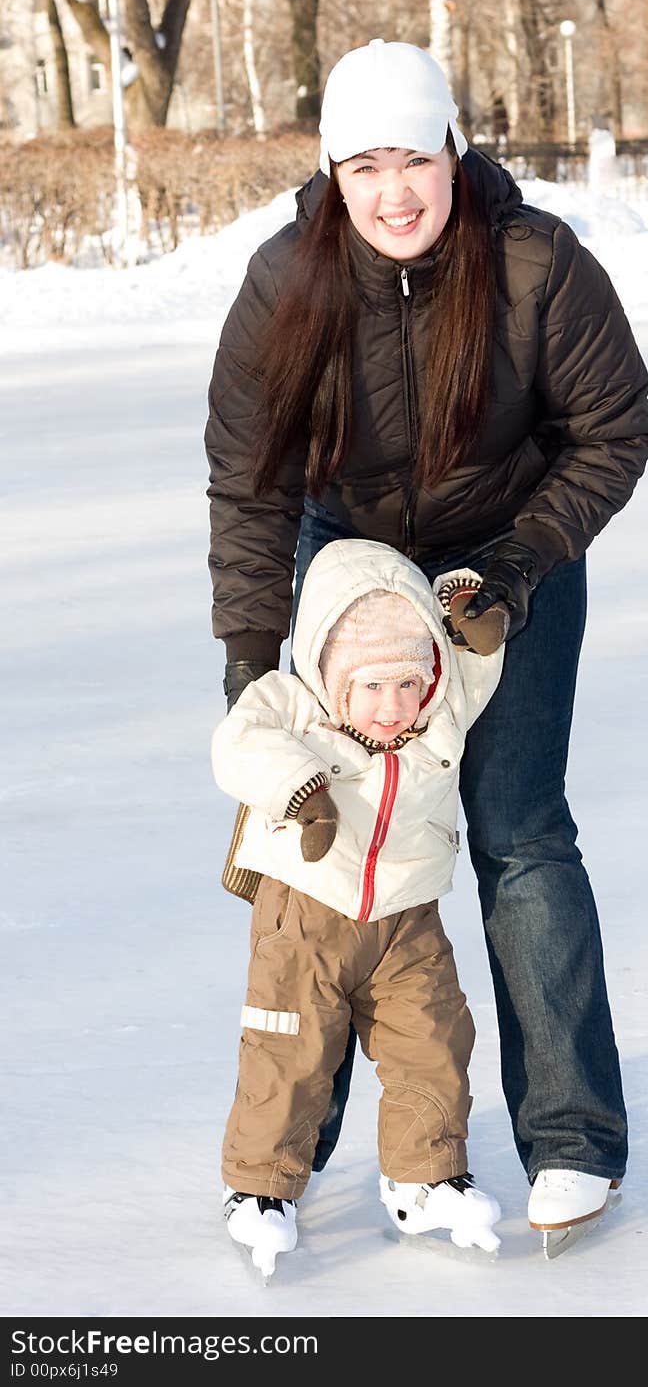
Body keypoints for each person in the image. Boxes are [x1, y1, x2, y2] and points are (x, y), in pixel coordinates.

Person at [205, 37, 648, 1237]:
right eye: (364, 167)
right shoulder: (283, 281)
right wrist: (253, 659)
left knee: (518, 832)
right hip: (346, 567)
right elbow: (247, 485)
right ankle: (282, 1163)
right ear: (334, 173)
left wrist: (516, 562)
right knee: (326, 859)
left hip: (505, 561)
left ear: (453, 150)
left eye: (414, 156)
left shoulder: (531, 263)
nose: (394, 190)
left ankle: (571, 1138)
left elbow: (614, 431)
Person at [212, 536, 506, 1276]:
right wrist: (302, 790)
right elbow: (238, 743)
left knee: (433, 1042)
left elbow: (473, 659)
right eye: (372, 688)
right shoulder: (292, 702)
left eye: (408, 685)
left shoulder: (439, 714)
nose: (393, 706)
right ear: (335, 678)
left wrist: (468, 615)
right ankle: (258, 1187)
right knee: (290, 1048)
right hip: (304, 914)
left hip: (407, 921)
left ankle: (426, 1177)